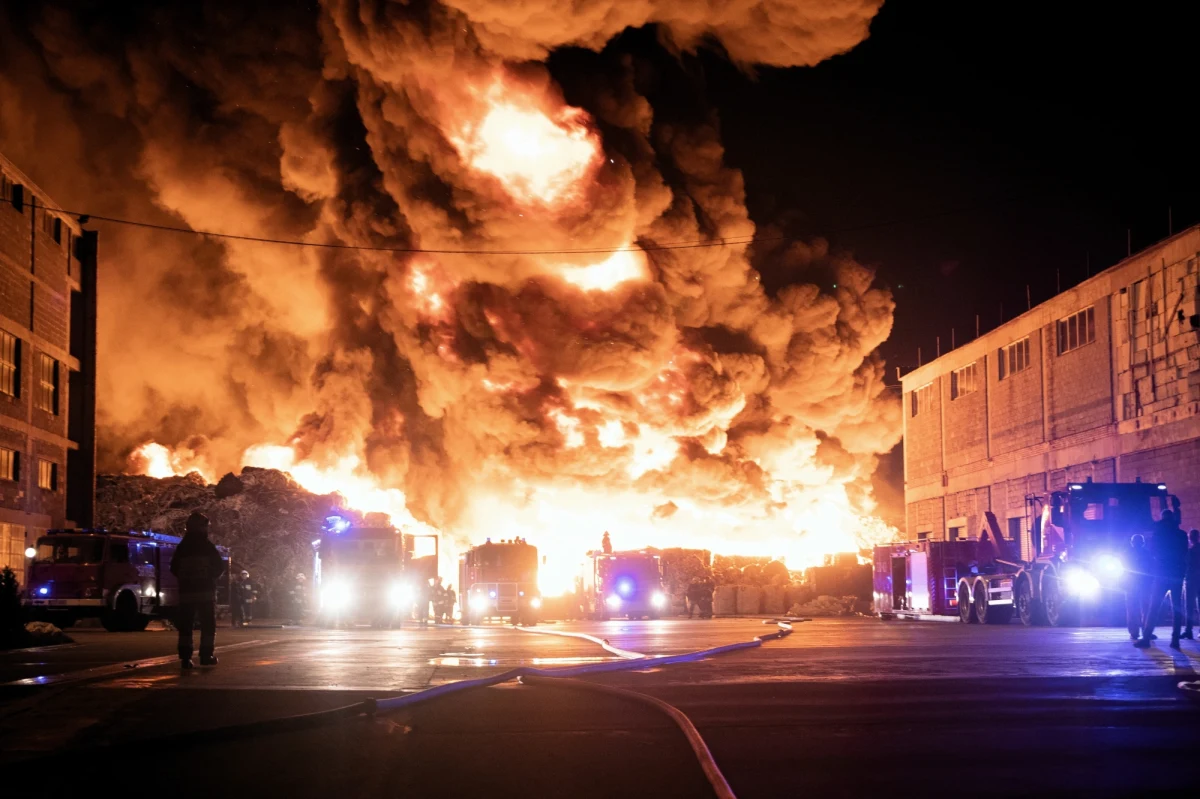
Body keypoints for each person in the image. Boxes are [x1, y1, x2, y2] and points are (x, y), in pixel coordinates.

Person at [170, 512, 226, 669]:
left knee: (186, 626)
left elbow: (173, 568)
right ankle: (206, 655)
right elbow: (219, 567)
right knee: (208, 625)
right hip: (205, 593)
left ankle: (185, 659)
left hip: (186, 593)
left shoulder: (182, 547)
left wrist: (186, 579)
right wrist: (210, 578)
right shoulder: (206, 546)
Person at [1138, 509, 1189, 649]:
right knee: (1177, 609)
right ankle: (1175, 640)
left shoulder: (1158, 534)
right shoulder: (1181, 534)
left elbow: (1153, 552)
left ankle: (1147, 637)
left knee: (1154, 607)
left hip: (1161, 573)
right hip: (1177, 574)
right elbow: (1184, 552)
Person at [1123, 534, 1154, 641]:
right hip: (1144, 584)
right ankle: (1146, 631)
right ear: (1142, 542)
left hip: (1131, 584)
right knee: (1145, 609)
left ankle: (1134, 632)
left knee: (1132, 608)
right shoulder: (1147, 553)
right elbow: (1151, 569)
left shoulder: (1127, 554)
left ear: (1132, 542)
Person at [1183, 529, 1200, 640]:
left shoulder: (1189, 551)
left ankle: (1188, 630)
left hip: (1191, 580)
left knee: (1189, 606)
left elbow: (1186, 566)